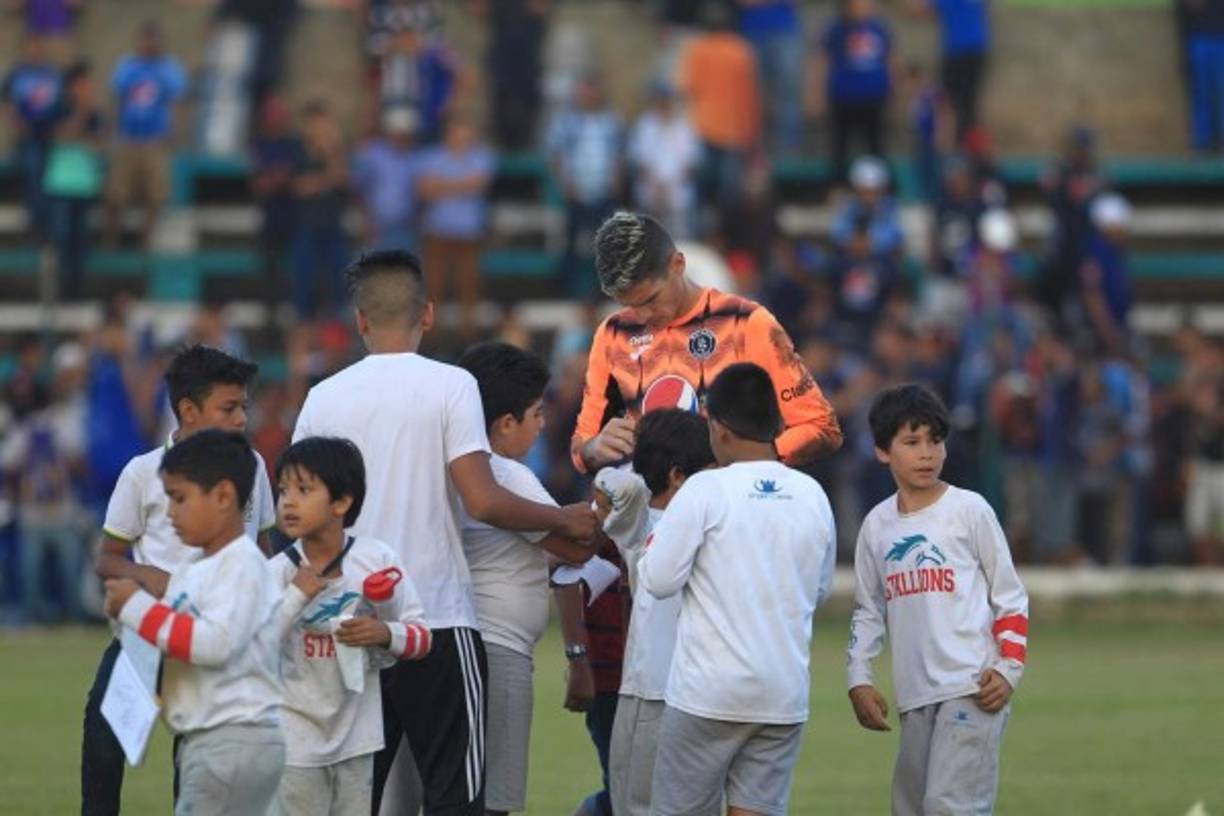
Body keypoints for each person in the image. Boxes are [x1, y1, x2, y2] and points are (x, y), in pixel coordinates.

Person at [291, 249, 597, 815]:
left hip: (349, 623)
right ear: (427, 314)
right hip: (435, 621)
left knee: (353, 799)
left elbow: (301, 517)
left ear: (360, 320)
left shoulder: (321, 398)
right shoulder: (452, 386)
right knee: (457, 800)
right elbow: (482, 498)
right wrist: (562, 517)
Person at [82, 345, 277, 816]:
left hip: (219, 637)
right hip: (148, 633)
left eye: (244, 408)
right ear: (188, 410)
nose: (240, 420)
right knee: (103, 740)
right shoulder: (142, 472)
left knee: (198, 756)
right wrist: (147, 575)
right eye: (228, 408)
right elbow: (106, 559)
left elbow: (266, 551)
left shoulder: (252, 469)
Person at [638, 362, 837, 816]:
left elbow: (659, 579)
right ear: (778, 423)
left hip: (707, 694)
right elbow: (819, 589)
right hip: (783, 694)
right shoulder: (813, 495)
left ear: (719, 428)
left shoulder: (705, 489)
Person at [846, 384, 1029, 816]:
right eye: (911, 442)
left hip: (970, 687)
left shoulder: (970, 510)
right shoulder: (877, 527)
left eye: (935, 440)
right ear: (882, 451)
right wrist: (859, 677)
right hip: (914, 696)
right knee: (909, 808)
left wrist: (1008, 668)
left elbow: (1011, 597)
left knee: (949, 807)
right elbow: (868, 611)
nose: (927, 453)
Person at [571, 211, 842, 477]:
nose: (642, 316)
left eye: (650, 300)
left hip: (732, 512)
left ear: (677, 264)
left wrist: (738, 468)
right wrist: (593, 449)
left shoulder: (746, 323)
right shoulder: (613, 334)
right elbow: (581, 447)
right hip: (651, 515)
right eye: (629, 304)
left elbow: (821, 427)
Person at [456, 342, 594, 816]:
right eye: (535, 413)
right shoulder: (505, 476)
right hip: (499, 648)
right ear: (504, 424)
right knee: (495, 800)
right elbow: (575, 546)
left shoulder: (453, 469)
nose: (542, 424)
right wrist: (622, 503)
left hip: (464, 644)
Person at [269, 436, 432, 816]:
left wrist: (383, 633)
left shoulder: (376, 560)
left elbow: (422, 636)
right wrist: (295, 596)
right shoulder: (275, 572)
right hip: (293, 738)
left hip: (358, 737)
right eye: (282, 490)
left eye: (303, 489)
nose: (288, 501)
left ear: (342, 502)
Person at [597, 409, 716, 816]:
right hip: (646, 688)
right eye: (708, 468)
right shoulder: (644, 516)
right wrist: (641, 466)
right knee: (635, 803)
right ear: (678, 475)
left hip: (689, 691)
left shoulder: (715, 516)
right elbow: (609, 481)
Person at [105, 21, 187, 248]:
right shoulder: (128, 67)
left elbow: (177, 102)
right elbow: (117, 99)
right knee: (116, 194)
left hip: (155, 140)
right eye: (146, 39)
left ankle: (146, 239)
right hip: (128, 138)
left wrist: (175, 131)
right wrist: (112, 130)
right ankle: (112, 238)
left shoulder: (169, 68)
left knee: (155, 194)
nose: (149, 45)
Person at [679, 6, 761, 233]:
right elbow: (751, 97)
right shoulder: (741, 50)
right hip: (734, 132)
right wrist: (752, 135)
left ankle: (701, 240)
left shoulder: (698, 49)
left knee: (700, 195)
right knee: (729, 198)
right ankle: (726, 242)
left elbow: (688, 89)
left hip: (704, 130)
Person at [418, 112, 495, 338]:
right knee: (434, 285)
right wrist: (461, 186)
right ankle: (430, 333)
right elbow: (425, 190)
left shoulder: (482, 157)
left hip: (469, 234)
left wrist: (442, 186)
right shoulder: (430, 157)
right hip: (438, 232)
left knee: (468, 286)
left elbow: (478, 184)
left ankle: (467, 333)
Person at [546, 73, 623, 298]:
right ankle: (565, 288)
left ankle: (604, 290)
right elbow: (557, 156)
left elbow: (617, 155)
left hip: (603, 191)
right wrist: (565, 185)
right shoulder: (566, 122)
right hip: (576, 192)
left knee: (606, 244)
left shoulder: (611, 121)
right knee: (570, 243)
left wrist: (616, 183)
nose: (589, 96)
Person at [816, 0, 894, 184]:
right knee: (840, 147)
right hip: (844, 96)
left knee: (875, 145)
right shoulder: (836, 30)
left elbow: (890, 61)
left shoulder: (880, 29)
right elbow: (823, 61)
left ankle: (879, 188)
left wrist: (893, 89)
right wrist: (817, 93)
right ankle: (837, 187)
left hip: (873, 96)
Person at [46, 60, 104, 300]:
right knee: (61, 237)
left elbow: (99, 145)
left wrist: (81, 132)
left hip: (85, 184)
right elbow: (59, 138)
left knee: (80, 241)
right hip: (61, 183)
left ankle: (76, 289)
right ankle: (58, 287)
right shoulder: (58, 108)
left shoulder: (96, 113)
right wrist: (80, 116)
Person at [291, 101, 350, 320]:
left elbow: (342, 179)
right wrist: (327, 180)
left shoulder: (336, 153)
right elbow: (301, 187)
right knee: (304, 287)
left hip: (332, 227)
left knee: (338, 285)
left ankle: (334, 335)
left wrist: (330, 154)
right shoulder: (297, 151)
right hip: (305, 227)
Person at [2, 35, 62, 238]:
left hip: (51, 137)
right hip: (28, 137)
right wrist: (14, 121)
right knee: (34, 171)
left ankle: (50, 223)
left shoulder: (52, 74)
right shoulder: (17, 74)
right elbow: (6, 101)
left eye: (38, 49)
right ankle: (37, 223)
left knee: (53, 178)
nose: (35, 53)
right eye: (31, 49)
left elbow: (61, 103)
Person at [627, 82, 700, 240]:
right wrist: (656, 188)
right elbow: (640, 163)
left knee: (679, 243)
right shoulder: (645, 126)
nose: (664, 104)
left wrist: (670, 187)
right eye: (661, 100)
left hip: (678, 198)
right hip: (650, 198)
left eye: (668, 100)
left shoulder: (685, 128)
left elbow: (690, 165)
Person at [251, 95, 302, 318]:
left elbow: (293, 178)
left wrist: (278, 179)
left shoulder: (293, 143)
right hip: (270, 216)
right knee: (269, 269)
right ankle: (270, 314)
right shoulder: (259, 144)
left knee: (297, 269)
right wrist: (278, 179)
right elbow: (260, 184)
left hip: (293, 216)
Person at [735, 0, 804, 152]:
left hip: (785, 32)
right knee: (751, 94)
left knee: (788, 92)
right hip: (752, 33)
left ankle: (788, 148)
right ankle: (754, 150)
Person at [353, 105, 422, 252]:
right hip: (377, 225)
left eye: (405, 133)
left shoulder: (417, 157)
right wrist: (366, 220)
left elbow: (420, 193)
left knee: (403, 270)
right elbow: (360, 188)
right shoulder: (373, 154)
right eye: (398, 133)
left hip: (407, 226)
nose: (401, 136)